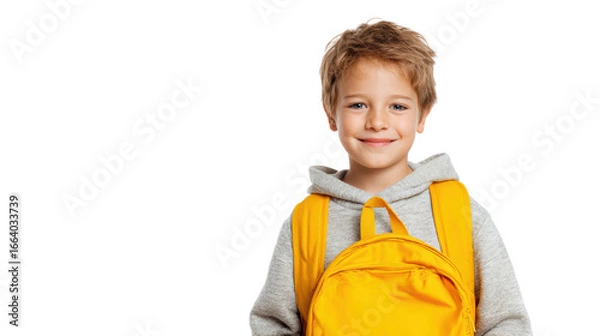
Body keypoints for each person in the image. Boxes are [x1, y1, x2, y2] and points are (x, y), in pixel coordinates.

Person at [249, 18, 532, 335]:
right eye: (358, 104)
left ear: (422, 115)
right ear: (331, 113)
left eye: (397, 106)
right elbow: (273, 323)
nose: (377, 122)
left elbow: (505, 322)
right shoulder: (307, 222)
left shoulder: (461, 215)